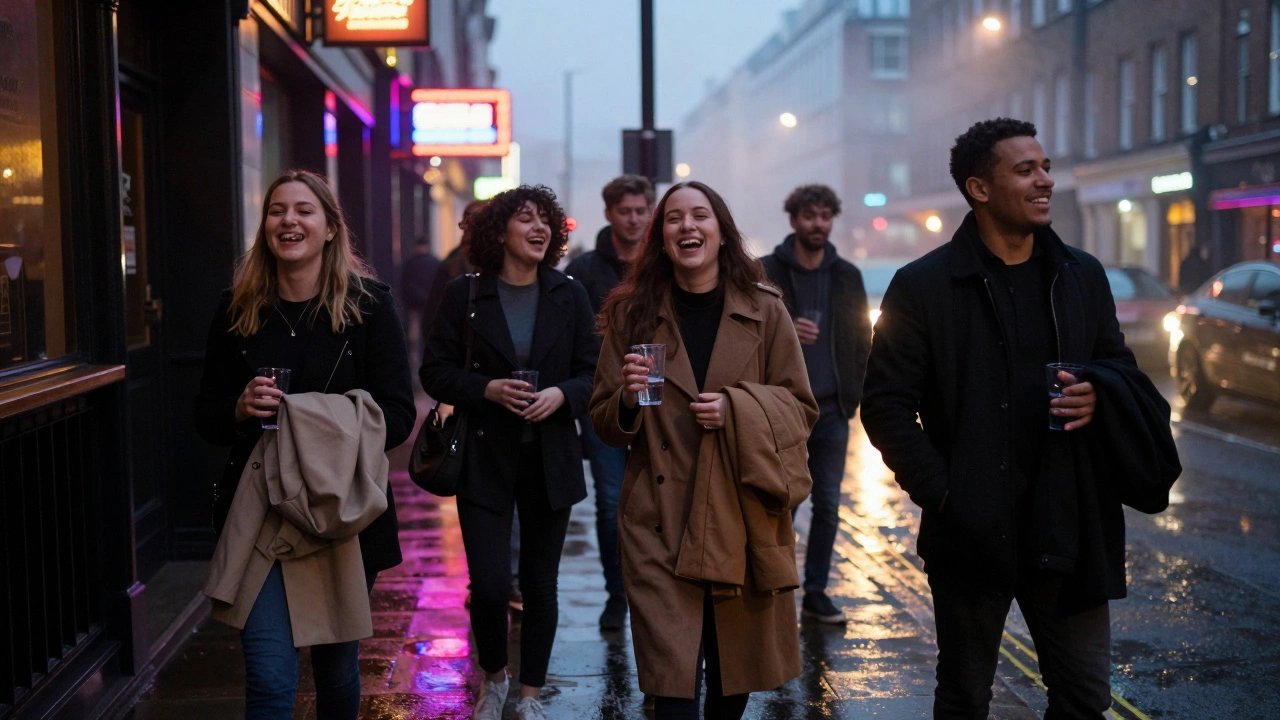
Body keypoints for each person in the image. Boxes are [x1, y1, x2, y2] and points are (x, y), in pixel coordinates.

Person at [861, 119, 1180, 719]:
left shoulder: (1081, 274)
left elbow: (1117, 363)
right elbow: (885, 405)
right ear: (979, 189)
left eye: (1047, 167)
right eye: (1026, 170)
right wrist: (947, 493)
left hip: (1070, 520)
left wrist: (1098, 392)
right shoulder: (923, 286)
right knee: (964, 696)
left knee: (1084, 697)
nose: (1046, 182)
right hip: (973, 531)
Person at [590, 181, 818, 719]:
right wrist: (624, 398)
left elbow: (801, 409)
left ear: (721, 232)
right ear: (661, 238)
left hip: (739, 516)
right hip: (657, 520)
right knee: (669, 686)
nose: (687, 226)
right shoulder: (631, 315)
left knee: (731, 676)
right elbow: (604, 424)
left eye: (700, 216)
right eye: (673, 219)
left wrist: (737, 411)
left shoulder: (765, 312)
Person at [194, 170, 415, 720]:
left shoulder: (369, 307)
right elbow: (205, 416)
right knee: (270, 677)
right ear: (265, 226)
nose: (288, 220)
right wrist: (239, 406)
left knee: (337, 671)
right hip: (260, 509)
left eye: (304, 210)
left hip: (339, 509)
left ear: (331, 228)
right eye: (276, 211)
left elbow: (400, 415)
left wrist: (317, 423)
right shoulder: (236, 309)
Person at [420, 185, 598, 720]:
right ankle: (494, 679)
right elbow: (434, 372)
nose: (541, 228)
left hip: (550, 458)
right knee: (493, 586)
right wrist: (487, 390)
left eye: (547, 220)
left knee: (542, 585)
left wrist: (563, 394)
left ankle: (530, 696)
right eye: (527, 219)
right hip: (483, 456)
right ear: (499, 232)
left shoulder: (569, 294)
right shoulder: (465, 294)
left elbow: (594, 373)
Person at [759, 183, 871, 625]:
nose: (817, 225)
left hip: (831, 409)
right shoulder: (766, 271)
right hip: (782, 409)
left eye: (825, 216)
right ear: (793, 220)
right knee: (783, 503)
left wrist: (852, 397)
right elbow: (748, 333)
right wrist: (786, 326)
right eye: (809, 216)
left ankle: (817, 592)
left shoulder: (846, 275)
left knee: (827, 503)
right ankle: (774, 586)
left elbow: (863, 339)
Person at [564, 173, 655, 629]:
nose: (634, 219)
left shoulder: (663, 261)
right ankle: (616, 594)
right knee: (610, 500)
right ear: (609, 214)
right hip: (604, 397)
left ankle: (653, 591)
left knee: (660, 496)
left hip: (657, 398)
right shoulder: (584, 271)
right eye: (625, 211)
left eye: (641, 210)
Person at [400, 235, 440, 368]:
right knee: (430, 337)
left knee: (414, 342)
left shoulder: (409, 264)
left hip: (414, 309)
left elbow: (404, 286)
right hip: (432, 308)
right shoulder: (435, 262)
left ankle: (416, 371)